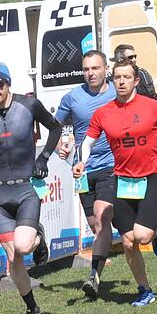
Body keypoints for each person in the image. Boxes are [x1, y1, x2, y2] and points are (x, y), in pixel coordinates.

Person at [74, 59, 157, 306]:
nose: (121, 81)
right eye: (117, 77)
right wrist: (82, 161)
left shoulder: (153, 107)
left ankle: (155, 231)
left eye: (126, 77)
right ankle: (144, 289)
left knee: (142, 237)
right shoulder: (103, 113)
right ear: (112, 79)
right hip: (122, 181)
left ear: (136, 81)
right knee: (127, 241)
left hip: (150, 178)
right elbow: (88, 142)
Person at [0, 61, 62, 314]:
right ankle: (32, 310)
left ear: (8, 83)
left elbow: (55, 127)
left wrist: (43, 158)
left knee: (23, 245)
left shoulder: (29, 105)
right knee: (13, 257)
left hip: (25, 188)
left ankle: (39, 238)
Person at [55, 50, 117, 298]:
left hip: (111, 164)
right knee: (95, 225)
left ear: (106, 70)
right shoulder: (73, 97)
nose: (91, 73)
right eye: (86, 69)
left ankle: (94, 276)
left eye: (95, 68)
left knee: (102, 217)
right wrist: (59, 143)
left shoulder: (116, 92)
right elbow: (53, 125)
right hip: (82, 169)